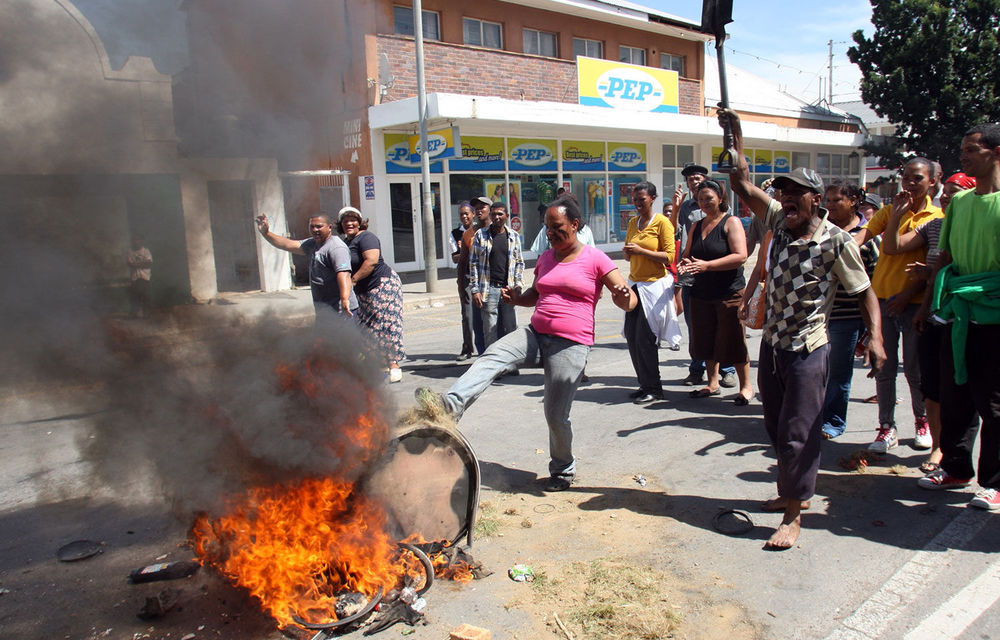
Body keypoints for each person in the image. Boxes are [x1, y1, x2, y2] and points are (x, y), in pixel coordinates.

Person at [721, 107, 885, 549]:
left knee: (799, 431)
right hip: (773, 345)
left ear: (816, 199)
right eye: (783, 192)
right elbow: (742, 185)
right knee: (775, 428)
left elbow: (865, 291)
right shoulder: (778, 221)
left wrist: (877, 338)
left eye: (795, 194)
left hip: (809, 349)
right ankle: (790, 494)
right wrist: (733, 135)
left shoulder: (836, 240)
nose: (785, 199)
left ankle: (793, 514)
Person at [415, 194, 637, 491]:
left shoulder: (596, 258)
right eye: (547, 228)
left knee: (555, 414)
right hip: (535, 333)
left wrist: (626, 298)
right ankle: (450, 407)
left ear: (575, 224)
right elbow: (537, 292)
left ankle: (562, 469)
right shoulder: (546, 258)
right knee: (492, 355)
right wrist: (519, 299)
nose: (551, 233)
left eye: (558, 227)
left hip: (571, 343)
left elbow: (627, 299)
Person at [917, 124, 1000, 510]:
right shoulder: (962, 202)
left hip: (995, 318)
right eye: (962, 149)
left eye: (971, 150)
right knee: (956, 396)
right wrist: (929, 304)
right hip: (957, 315)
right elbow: (944, 258)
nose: (963, 156)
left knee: (994, 402)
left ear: (996, 152)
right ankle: (955, 468)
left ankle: (995, 482)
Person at [884, 172, 979, 474]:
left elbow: (951, 270)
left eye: (955, 192)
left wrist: (933, 273)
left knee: (965, 390)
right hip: (936, 313)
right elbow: (893, 247)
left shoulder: (977, 226)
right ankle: (939, 447)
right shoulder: (936, 225)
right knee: (932, 386)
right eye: (946, 193)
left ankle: (962, 456)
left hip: (969, 316)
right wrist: (896, 215)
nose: (948, 198)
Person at [854, 158, 943, 453]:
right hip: (882, 301)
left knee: (915, 371)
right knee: (884, 368)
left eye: (917, 178)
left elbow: (927, 263)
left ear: (932, 181)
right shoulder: (891, 211)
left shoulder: (936, 217)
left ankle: (922, 421)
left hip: (914, 304)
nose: (909, 183)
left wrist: (908, 295)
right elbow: (864, 236)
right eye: (906, 177)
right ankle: (886, 428)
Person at [677, 180, 752, 404]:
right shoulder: (696, 226)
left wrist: (707, 266)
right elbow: (688, 254)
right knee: (705, 339)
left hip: (728, 292)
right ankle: (712, 383)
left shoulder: (731, 222)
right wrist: (685, 264)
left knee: (733, 339)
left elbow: (741, 256)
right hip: (701, 293)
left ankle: (746, 386)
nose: (704, 203)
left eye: (708, 198)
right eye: (700, 199)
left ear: (720, 197)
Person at [819, 181, 880, 439]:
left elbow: (873, 284)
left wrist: (873, 331)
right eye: (828, 200)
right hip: (819, 314)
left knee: (838, 373)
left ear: (854, 201)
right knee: (816, 370)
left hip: (847, 316)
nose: (829, 206)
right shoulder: (822, 231)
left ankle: (833, 421)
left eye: (836, 200)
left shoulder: (868, 237)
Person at [671, 163, 738, 388]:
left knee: (724, 327)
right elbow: (673, 233)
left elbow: (737, 252)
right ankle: (696, 369)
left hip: (719, 277)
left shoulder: (725, 213)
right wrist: (676, 208)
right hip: (692, 274)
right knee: (697, 325)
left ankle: (726, 370)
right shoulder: (687, 208)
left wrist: (708, 265)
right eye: (690, 180)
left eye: (697, 178)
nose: (693, 182)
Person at [623, 181, 681, 404]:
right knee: (631, 336)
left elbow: (669, 257)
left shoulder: (663, 223)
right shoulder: (632, 222)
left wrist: (641, 251)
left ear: (653, 199)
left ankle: (654, 388)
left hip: (654, 287)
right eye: (635, 199)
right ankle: (643, 383)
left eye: (642, 199)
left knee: (645, 339)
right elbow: (630, 253)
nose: (637, 203)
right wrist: (629, 253)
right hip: (635, 285)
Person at [337, 207, 404, 382]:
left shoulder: (366, 237)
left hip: (382, 285)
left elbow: (372, 261)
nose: (349, 223)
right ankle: (375, 365)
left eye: (353, 220)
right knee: (366, 328)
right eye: (345, 221)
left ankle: (393, 365)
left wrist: (352, 281)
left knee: (385, 325)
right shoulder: (345, 242)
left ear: (360, 222)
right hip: (364, 292)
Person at [256, 212, 357, 322]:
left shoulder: (336, 248)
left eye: (319, 226)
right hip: (324, 309)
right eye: (312, 226)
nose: (315, 230)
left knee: (342, 339)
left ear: (329, 228)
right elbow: (287, 244)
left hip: (342, 310)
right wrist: (266, 233)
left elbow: (344, 275)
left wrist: (344, 299)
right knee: (323, 339)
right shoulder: (313, 243)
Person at [469, 201, 524, 347]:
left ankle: (511, 365)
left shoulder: (513, 236)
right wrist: (475, 290)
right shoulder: (481, 235)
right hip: (489, 289)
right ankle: (492, 366)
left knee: (511, 328)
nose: (497, 217)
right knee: (490, 331)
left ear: (507, 216)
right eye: (494, 214)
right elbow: (473, 263)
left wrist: (517, 285)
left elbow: (519, 262)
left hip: (508, 289)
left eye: (500, 214)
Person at [461, 197, 492, 354]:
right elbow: (464, 264)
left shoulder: (500, 231)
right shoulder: (468, 235)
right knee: (478, 325)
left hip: (495, 286)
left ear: (490, 209)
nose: (479, 210)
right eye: (477, 208)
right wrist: (462, 288)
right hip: (477, 287)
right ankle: (482, 356)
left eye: (483, 207)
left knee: (497, 326)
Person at [451, 202, 476, 361]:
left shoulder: (482, 230)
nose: (464, 216)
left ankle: (487, 350)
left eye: (467, 213)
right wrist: (468, 251)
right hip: (466, 277)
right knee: (467, 315)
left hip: (483, 278)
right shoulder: (455, 233)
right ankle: (467, 347)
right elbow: (455, 258)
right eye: (461, 214)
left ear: (473, 214)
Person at [127, 235, 153, 318]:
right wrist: (141, 264)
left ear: (141, 241)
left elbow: (148, 264)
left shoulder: (146, 251)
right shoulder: (130, 252)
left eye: (138, 240)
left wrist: (137, 264)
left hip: (144, 277)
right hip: (134, 277)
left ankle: (147, 314)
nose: (136, 242)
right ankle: (135, 314)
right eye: (134, 240)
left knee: (145, 295)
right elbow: (130, 264)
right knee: (135, 296)